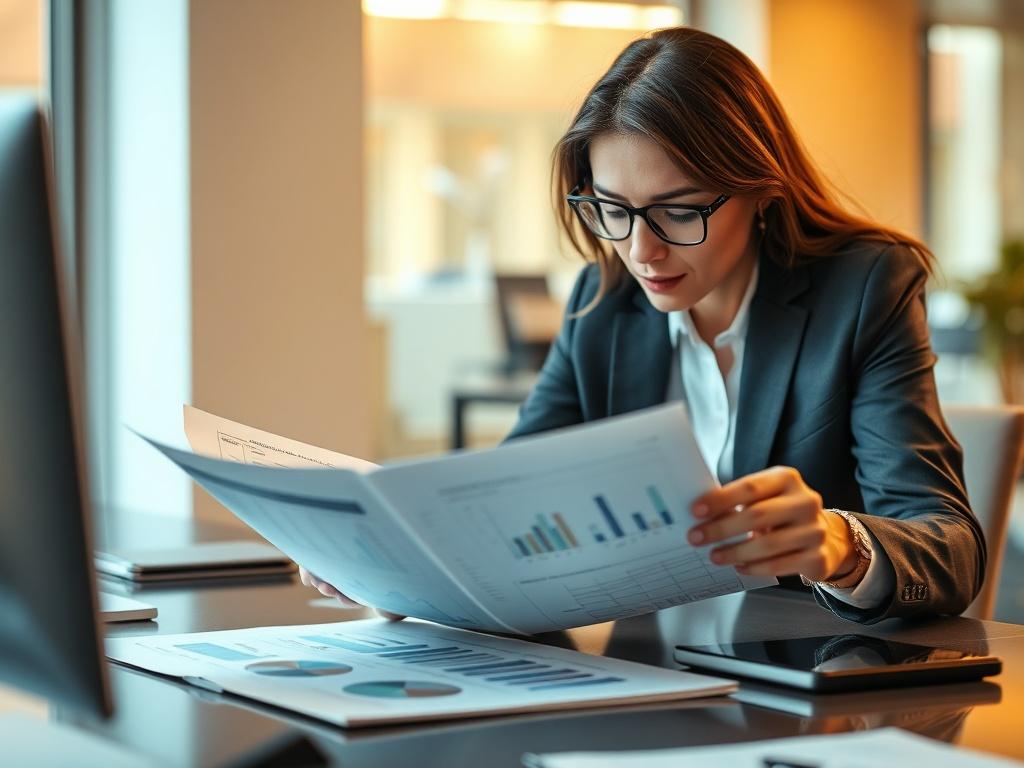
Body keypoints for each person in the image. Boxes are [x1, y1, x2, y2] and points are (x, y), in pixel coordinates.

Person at [303, 26, 985, 624]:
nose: (641, 250)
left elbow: (950, 548)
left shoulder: (864, 290)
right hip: (639, 672)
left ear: (760, 190)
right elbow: (504, 499)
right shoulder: (601, 305)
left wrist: (841, 545)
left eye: (678, 211)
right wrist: (401, 565)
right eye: (612, 209)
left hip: (810, 686)